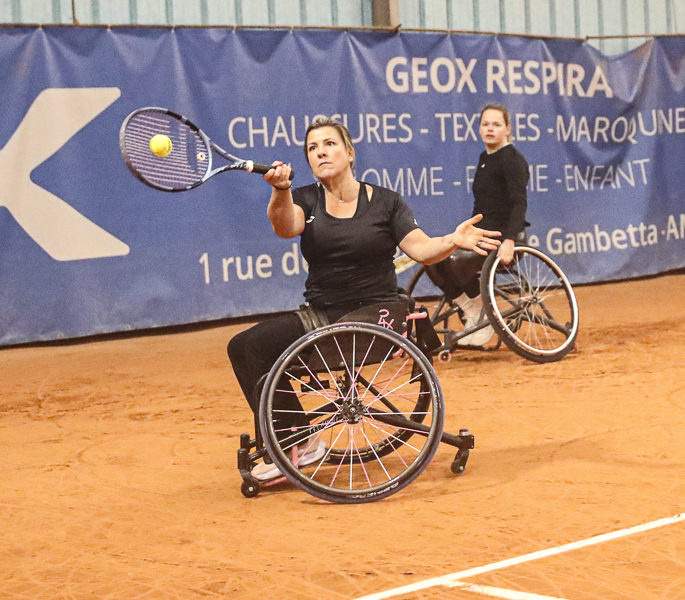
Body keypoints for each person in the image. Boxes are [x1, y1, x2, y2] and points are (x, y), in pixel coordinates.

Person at [227, 117, 499, 481]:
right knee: (243, 347)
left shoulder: (386, 202)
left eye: (329, 144)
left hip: (375, 315)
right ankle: (298, 437)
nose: (321, 152)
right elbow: (285, 227)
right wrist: (281, 189)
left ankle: (299, 442)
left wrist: (452, 240)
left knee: (253, 347)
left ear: (350, 152)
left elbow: (421, 248)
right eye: (312, 148)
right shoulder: (305, 198)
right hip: (323, 315)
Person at [426, 103, 530, 346]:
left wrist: (510, 240)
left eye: (496, 124)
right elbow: (482, 208)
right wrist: (467, 234)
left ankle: (483, 315)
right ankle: (472, 310)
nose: (490, 129)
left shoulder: (512, 160)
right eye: (485, 124)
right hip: (482, 236)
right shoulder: (485, 158)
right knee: (433, 259)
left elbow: (519, 203)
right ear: (479, 129)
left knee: (457, 262)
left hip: (505, 239)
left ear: (507, 129)